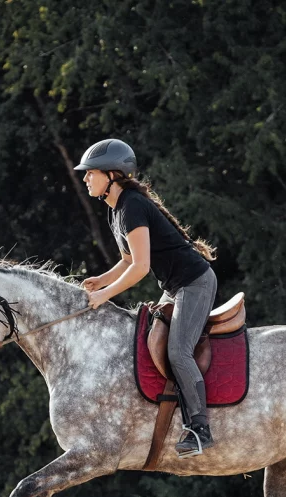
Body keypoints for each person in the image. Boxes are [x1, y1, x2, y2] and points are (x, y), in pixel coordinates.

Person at [75, 139, 218, 457]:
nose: (85, 178)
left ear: (112, 174)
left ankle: (200, 429)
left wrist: (105, 294)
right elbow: (127, 260)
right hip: (175, 286)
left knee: (178, 351)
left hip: (194, 283)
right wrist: (102, 280)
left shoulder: (132, 206)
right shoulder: (116, 210)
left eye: (90, 172)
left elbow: (140, 267)